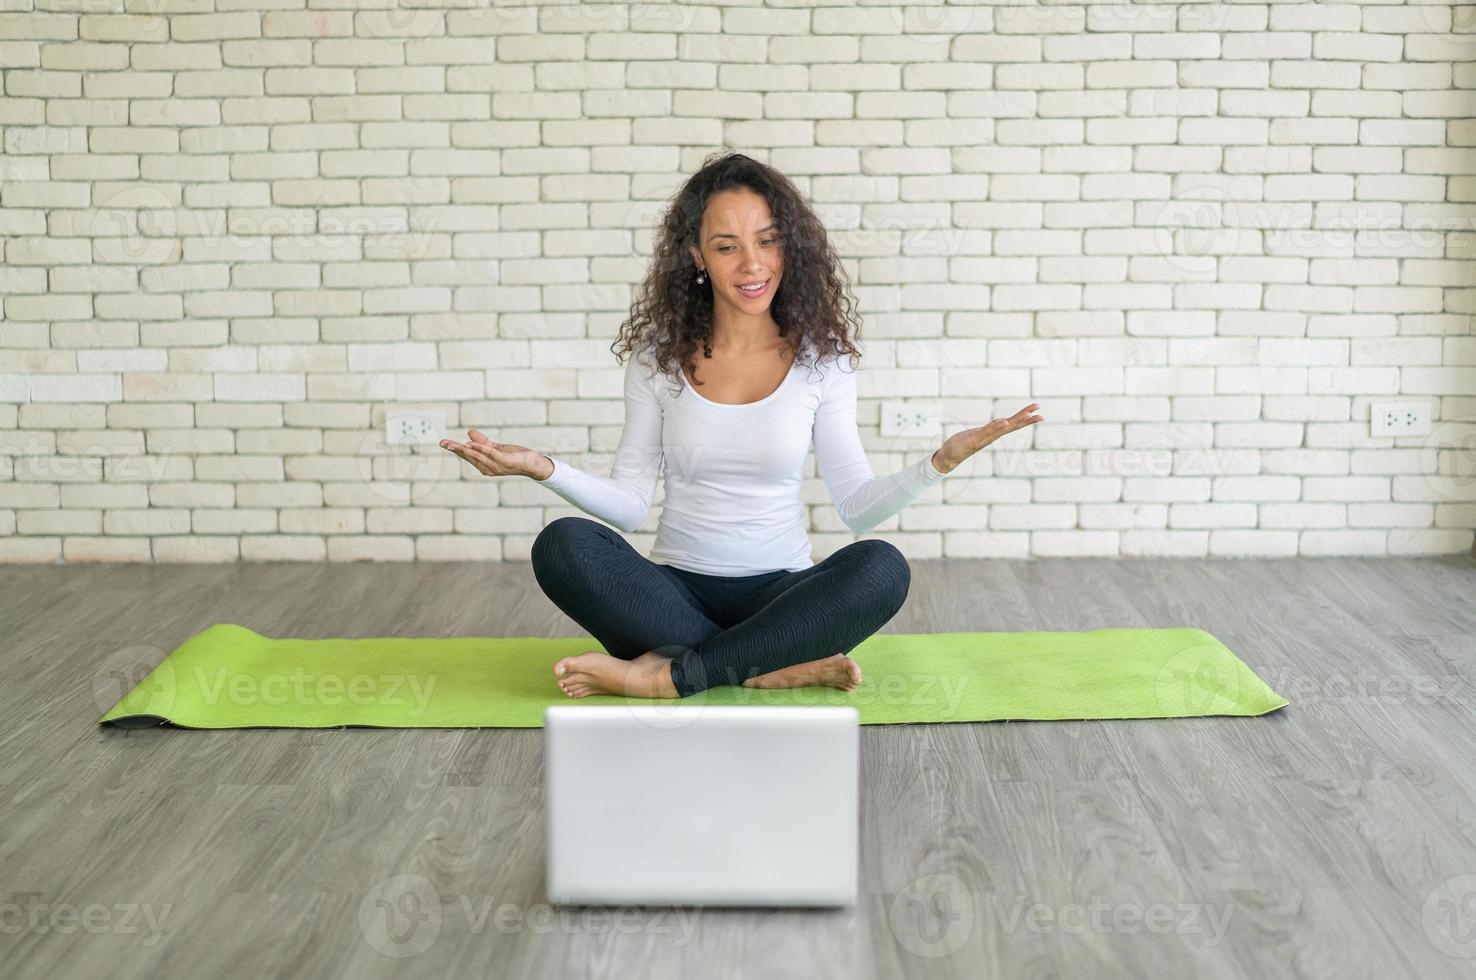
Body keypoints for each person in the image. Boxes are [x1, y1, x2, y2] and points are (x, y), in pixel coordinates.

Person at [441, 150, 1042, 700]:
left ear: (790, 248)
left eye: (768, 240)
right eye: (727, 246)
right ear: (697, 257)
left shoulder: (821, 363)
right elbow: (628, 505)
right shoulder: (658, 359)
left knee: (883, 567)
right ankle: (763, 665)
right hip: (674, 594)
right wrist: (543, 468)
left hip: (782, 595)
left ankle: (672, 677)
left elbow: (857, 509)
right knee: (562, 545)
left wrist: (938, 463)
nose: (752, 264)